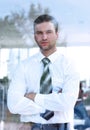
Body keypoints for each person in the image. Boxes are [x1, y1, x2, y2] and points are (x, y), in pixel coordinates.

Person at [7, 14, 80, 130]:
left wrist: (33, 97)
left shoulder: (69, 65)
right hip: (30, 126)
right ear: (35, 36)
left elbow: (67, 103)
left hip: (62, 127)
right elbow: (13, 105)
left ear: (57, 34)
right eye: (39, 33)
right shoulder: (23, 66)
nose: (44, 37)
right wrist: (54, 101)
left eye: (49, 32)